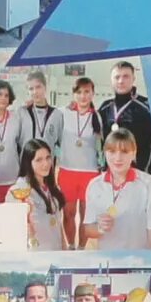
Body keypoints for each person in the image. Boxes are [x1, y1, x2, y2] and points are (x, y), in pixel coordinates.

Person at [82, 127, 151, 250]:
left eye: (124, 151)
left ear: (134, 153)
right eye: (112, 151)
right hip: (109, 263)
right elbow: (88, 229)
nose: (118, 158)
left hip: (140, 262)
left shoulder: (148, 184)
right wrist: (99, 228)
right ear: (105, 153)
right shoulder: (94, 185)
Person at [100, 60, 151, 177]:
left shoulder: (146, 107)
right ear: (111, 80)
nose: (121, 81)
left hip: (140, 173)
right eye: (117, 77)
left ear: (133, 78)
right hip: (111, 173)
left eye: (126, 76)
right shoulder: (105, 108)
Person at [56, 75, 105, 219]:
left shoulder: (98, 117)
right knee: (68, 214)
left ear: (92, 93)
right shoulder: (62, 113)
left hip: (90, 173)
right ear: (73, 95)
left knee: (87, 217)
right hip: (67, 171)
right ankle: (71, 243)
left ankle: (82, 243)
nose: (83, 96)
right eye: (79, 92)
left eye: (87, 91)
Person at [18, 141, 75, 255]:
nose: (46, 164)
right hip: (36, 257)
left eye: (48, 158)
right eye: (39, 160)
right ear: (28, 162)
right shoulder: (20, 190)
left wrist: (64, 252)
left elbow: (58, 226)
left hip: (56, 254)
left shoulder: (51, 188)